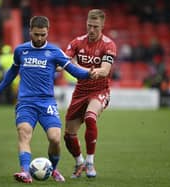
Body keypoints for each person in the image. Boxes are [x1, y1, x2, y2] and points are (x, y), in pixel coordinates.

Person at [0, 16, 97, 183]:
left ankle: (53, 169)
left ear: (47, 32)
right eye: (36, 34)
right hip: (26, 103)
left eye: (43, 35)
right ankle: (25, 172)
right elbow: (12, 72)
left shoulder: (54, 52)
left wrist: (88, 74)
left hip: (47, 103)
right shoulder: (21, 50)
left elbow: (73, 70)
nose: (39, 38)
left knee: (55, 138)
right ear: (30, 31)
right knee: (24, 133)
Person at [63, 9, 117, 178]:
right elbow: (64, 61)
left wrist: (87, 70)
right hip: (80, 91)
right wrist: (63, 65)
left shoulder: (109, 44)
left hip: (100, 90)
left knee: (90, 116)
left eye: (95, 26)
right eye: (89, 26)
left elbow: (105, 69)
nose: (91, 30)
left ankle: (90, 162)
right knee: (69, 135)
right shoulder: (77, 42)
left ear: (102, 26)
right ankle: (79, 163)